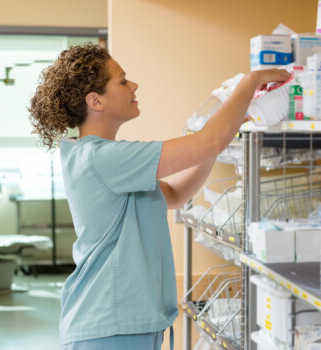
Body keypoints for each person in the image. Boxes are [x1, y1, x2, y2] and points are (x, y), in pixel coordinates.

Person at [28, 44, 291, 350]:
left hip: (127, 323)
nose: (133, 85)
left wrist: (219, 141)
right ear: (95, 100)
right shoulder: (102, 158)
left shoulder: (103, 159)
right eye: (123, 80)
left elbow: (175, 194)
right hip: (109, 326)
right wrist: (250, 82)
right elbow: (209, 140)